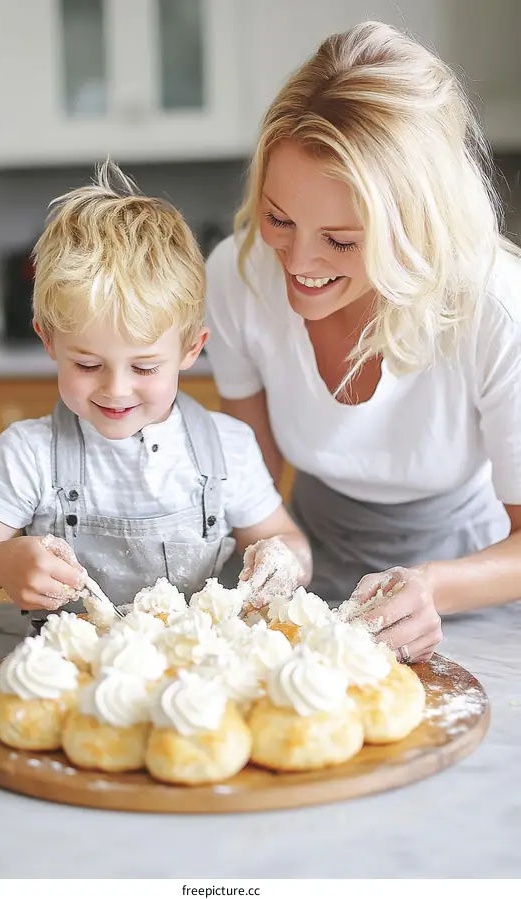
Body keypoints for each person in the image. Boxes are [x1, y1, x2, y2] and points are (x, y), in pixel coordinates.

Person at [205, 20, 521, 665]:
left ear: (418, 227)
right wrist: (265, 559)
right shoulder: (237, 279)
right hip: (306, 582)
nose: (298, 261)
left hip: (473, 595)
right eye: (278, 219)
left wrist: (435, 586)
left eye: (343, 240)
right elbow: (253, 485)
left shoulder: (495, 309)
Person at [0, 163, 311, 630]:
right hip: (71, 682)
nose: (115, 388)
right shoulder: (27, 454)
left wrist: (284, 558)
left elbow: (287, 542)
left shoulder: (227, 447)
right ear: (49, 343)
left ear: (192, 349)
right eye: (87, 365)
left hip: (194, 682)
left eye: (145, 367)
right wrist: (2, 562)